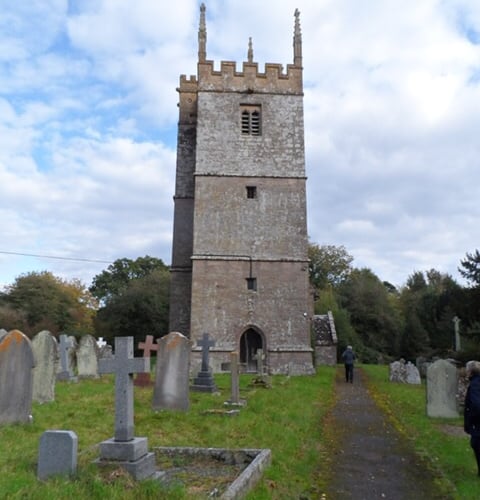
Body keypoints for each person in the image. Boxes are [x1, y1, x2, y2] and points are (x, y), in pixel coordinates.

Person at [464, 360, 480, 476]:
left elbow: (476, 404)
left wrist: (471, 419)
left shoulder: (475, 384)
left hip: (478, 421)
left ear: (471, 371)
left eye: (467, 369)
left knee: (476, 443)